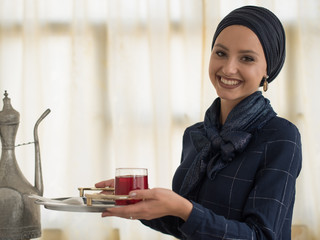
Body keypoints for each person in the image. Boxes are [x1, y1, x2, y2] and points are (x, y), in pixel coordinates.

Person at [95, 5, 302, 239]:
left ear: (268, 70)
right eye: (221, 53)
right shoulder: (196, 135)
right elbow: (185, 225)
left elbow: (261, 236)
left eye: (247, 58)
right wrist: (136, 198)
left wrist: (183, 208)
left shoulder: (280, 136)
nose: (228, 68)